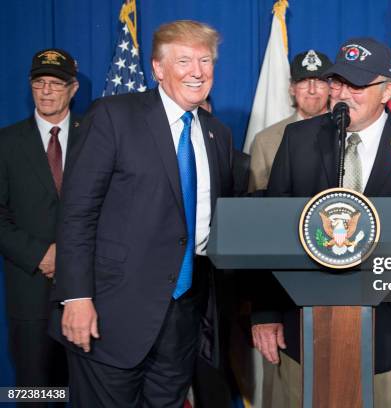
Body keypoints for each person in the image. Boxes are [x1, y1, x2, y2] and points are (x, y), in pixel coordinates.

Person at [251, 37, 391, 408]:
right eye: (337, 82)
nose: (343, 93)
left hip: (387, 331)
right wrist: (265, 311)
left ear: (388, 90)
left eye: (357, 85)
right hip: (303, 327)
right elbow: (271, 229)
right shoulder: (299, 140)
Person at [49, 20, 234, 407]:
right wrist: (76, 297)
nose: (197, 71)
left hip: (184, 318)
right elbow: (77, 214)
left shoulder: (218, 133)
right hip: (110, 314)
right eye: (184, 61)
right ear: (157, 68)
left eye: (205, 61)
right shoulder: (113, 116)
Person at [0, 48, 79, 394]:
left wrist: (72, 257)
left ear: (73, 89)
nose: (46, 90)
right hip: (29, 291)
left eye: (55, 83)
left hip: (84, 293)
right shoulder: (5, 143)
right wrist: (42, 255)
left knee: (84, 391)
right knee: (33, 392)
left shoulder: (96, 136)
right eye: (39, 82)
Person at [248, 49, 332, 192]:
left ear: (331, 88)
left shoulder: (348, 132)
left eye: (320, 81)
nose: (312, 90)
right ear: (292, 88)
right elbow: (257, 204)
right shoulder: (264, 141)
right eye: (304, 81)